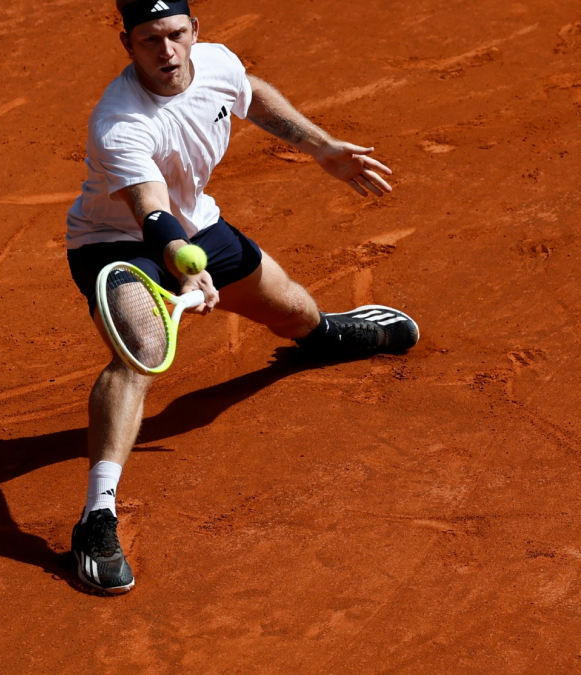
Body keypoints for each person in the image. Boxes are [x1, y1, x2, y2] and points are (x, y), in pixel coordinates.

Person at [65, 0, 420, 593]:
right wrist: (183, 267)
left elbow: (249, 91)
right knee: (139, 354)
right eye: (150, 40)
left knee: (296, 311)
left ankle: (323, 337)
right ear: (128, 44)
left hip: (201, 228)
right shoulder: (119, 122)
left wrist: (320, 146)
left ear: (195, 32)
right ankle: (96, 516)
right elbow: (150, 211)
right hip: (120, 244)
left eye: (176, 34)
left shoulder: (217, 63)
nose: (167, 51)